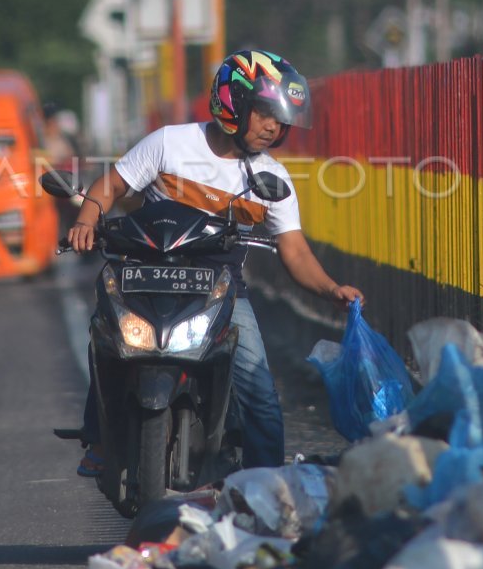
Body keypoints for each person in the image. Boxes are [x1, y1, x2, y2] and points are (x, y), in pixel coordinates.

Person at [67, 48, 363, 477]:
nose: (272, 127)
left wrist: (332, 289)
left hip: (220, 290)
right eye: (264, 113)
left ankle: (268, 491)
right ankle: (98, 437)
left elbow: (294, 251)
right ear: (233, 102)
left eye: (279, 120)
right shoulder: (170, 142)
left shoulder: (271, 179)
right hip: (147, 278)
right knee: (108, 340)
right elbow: (111, 185)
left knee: (260, 392)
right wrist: (85, 219)